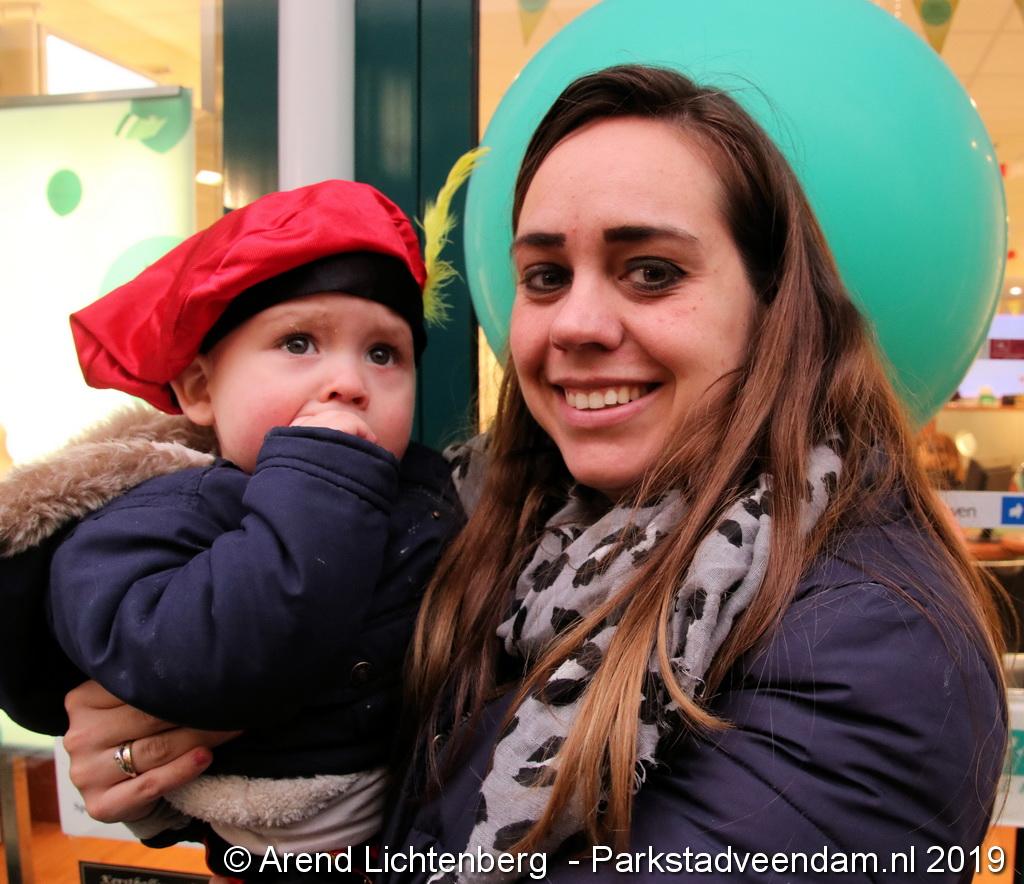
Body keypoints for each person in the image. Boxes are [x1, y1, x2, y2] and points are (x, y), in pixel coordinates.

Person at [60, 66, 1007, 883]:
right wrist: (217, 772)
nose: (576, 325)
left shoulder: (871, 645)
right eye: (546, 277)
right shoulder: (487, 538)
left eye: (650, 271)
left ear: (773, 309)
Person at [0, 180, 465, 880]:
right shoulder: (146, 516)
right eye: (299, 342)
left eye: (383, 354)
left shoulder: (431, 497)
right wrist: (322, 476)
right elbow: (206, 657)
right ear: (199, 390)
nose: (349, 381)